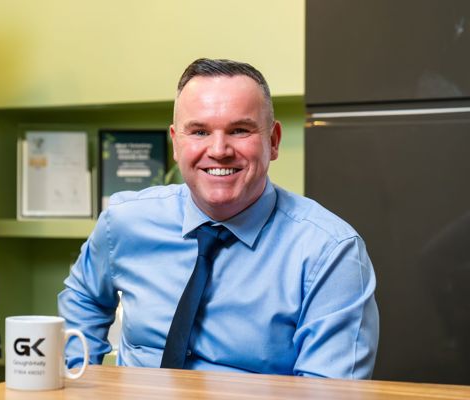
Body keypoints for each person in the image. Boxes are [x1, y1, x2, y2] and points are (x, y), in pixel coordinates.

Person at [58, 58, 379, 378]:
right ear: (175, 142)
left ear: (273, 140)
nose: (219, 149)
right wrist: (83, 379)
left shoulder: (330, 253)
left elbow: (328, 392)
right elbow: (83, 297)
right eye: (199, 131)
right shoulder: (123, 223)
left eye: (240, 130)